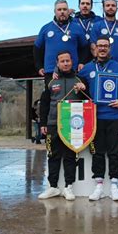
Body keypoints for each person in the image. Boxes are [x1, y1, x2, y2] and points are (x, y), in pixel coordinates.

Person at [77, 35, 118, 201]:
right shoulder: (87, 68)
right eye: (99, 46)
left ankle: (115, 185)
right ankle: (99, 186)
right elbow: (79, 87)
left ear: (109, 49)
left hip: (115, 116)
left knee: (115, 151)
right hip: (96, 117)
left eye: (105, 46)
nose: (102, 48)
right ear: (95, 49)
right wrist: (80, 86)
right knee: (98, 151)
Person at [38, 51, 84, 201]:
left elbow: (87, 100)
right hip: (52, 124)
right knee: (53, 155)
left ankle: (68, 187)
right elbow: (44, 104)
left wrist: (84, 89)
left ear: (72, 62)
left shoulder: (79, 80)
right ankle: (53, 187)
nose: (65, 63)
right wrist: (43, 123)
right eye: (62, 61)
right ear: (57, 63)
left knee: (70, 156)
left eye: (68, 61)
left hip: (72, 125)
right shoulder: (51, 82)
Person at [34, 0, 89, 85]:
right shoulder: (46, 28)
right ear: (54, 11)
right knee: (52, 97)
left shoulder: (77, 27)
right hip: (51, 71)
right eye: (59, 10)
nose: (62, 12)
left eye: (64, 9)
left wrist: (82, 62)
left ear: (68, 11)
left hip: (72, 71)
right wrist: (39, 66)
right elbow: (37, 48)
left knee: (72, 97)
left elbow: (85, 47)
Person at [90, 0, 118, 69]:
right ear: (103, 8)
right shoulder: (97, 25)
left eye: (113, 5)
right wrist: (100, 61)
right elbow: (93, 46)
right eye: (108, 5)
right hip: (102, 66)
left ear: (117, 8)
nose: (110, 7)